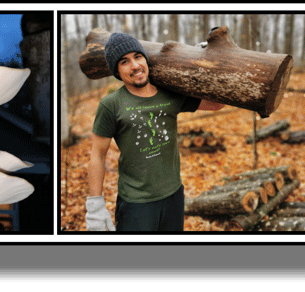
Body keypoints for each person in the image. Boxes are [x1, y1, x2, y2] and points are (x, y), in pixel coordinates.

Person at [88, 32, 225, 231]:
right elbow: (97, 155)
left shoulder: (170, 92)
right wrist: (94, 206)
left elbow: (216, 104)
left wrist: (204, 61)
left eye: (138, 56)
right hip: (136, 203)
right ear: (117, 71)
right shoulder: (111, 104)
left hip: (174, 196)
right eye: (124, 62)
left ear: (145, 59)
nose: (135, 66)